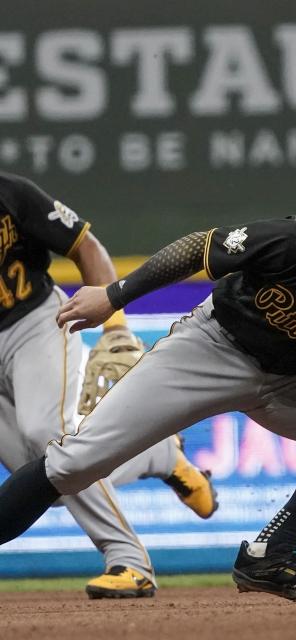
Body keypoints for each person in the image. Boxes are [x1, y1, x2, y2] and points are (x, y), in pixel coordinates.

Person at [0, 175, 296, 602]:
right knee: (74, 462)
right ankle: (162, 462)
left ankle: (272, 552)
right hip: (213, 348)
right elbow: (199, 248)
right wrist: (113, 297)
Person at [0, 171, 217, 598]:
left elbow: (85, 247)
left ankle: (129, 562)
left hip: (34, 324)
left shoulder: (11, 193)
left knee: (49, 439)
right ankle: (158, 454)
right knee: (48, 485)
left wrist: (115, 327)